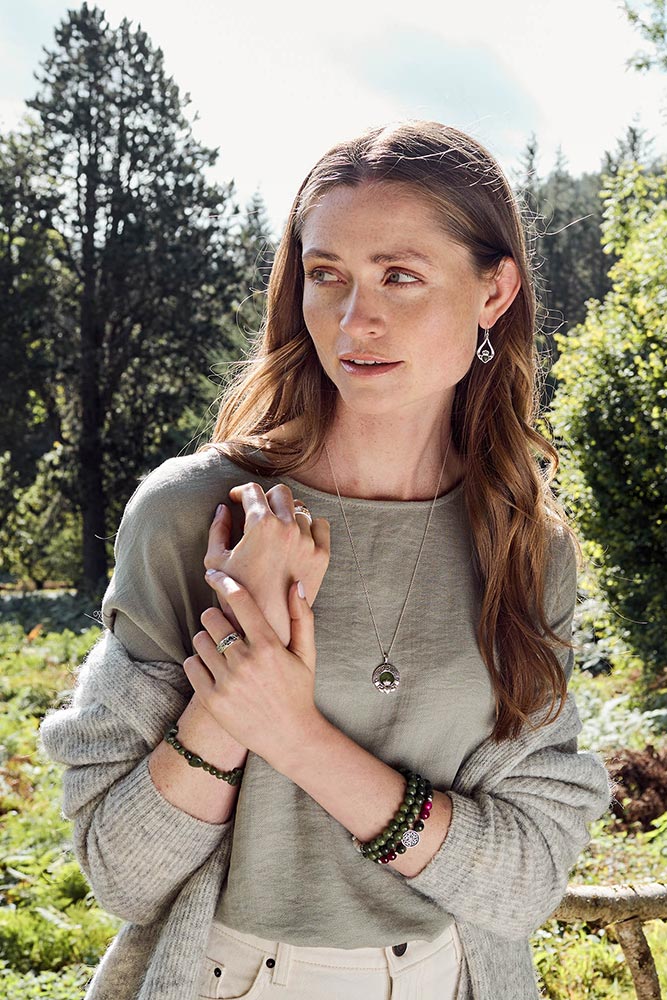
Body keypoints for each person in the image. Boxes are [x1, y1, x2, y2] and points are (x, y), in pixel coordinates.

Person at [40, 120, 612, 1000]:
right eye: (326, 276)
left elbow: (525, 877)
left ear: (493, 291)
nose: (355, 320)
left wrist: (293, 734)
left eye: (401, 276)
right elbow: (123, 873)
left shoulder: (524, 548)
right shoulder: (193, 515)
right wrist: (243, 637)